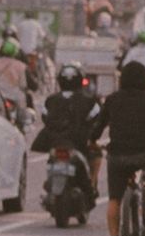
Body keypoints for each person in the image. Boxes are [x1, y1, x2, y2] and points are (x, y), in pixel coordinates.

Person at [90, 61, 145, 236]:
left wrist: (92, 141)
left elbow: (98, 127)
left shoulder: (112, 100)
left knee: (114, 199)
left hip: (117, 157)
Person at [34, 63, 103, 201]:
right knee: (97, 154)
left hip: (54, 142)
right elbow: (96, 118)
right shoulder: (89, 101)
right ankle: (92, 185)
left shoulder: (50, 100)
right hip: (79, 143)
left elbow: (45, 117)